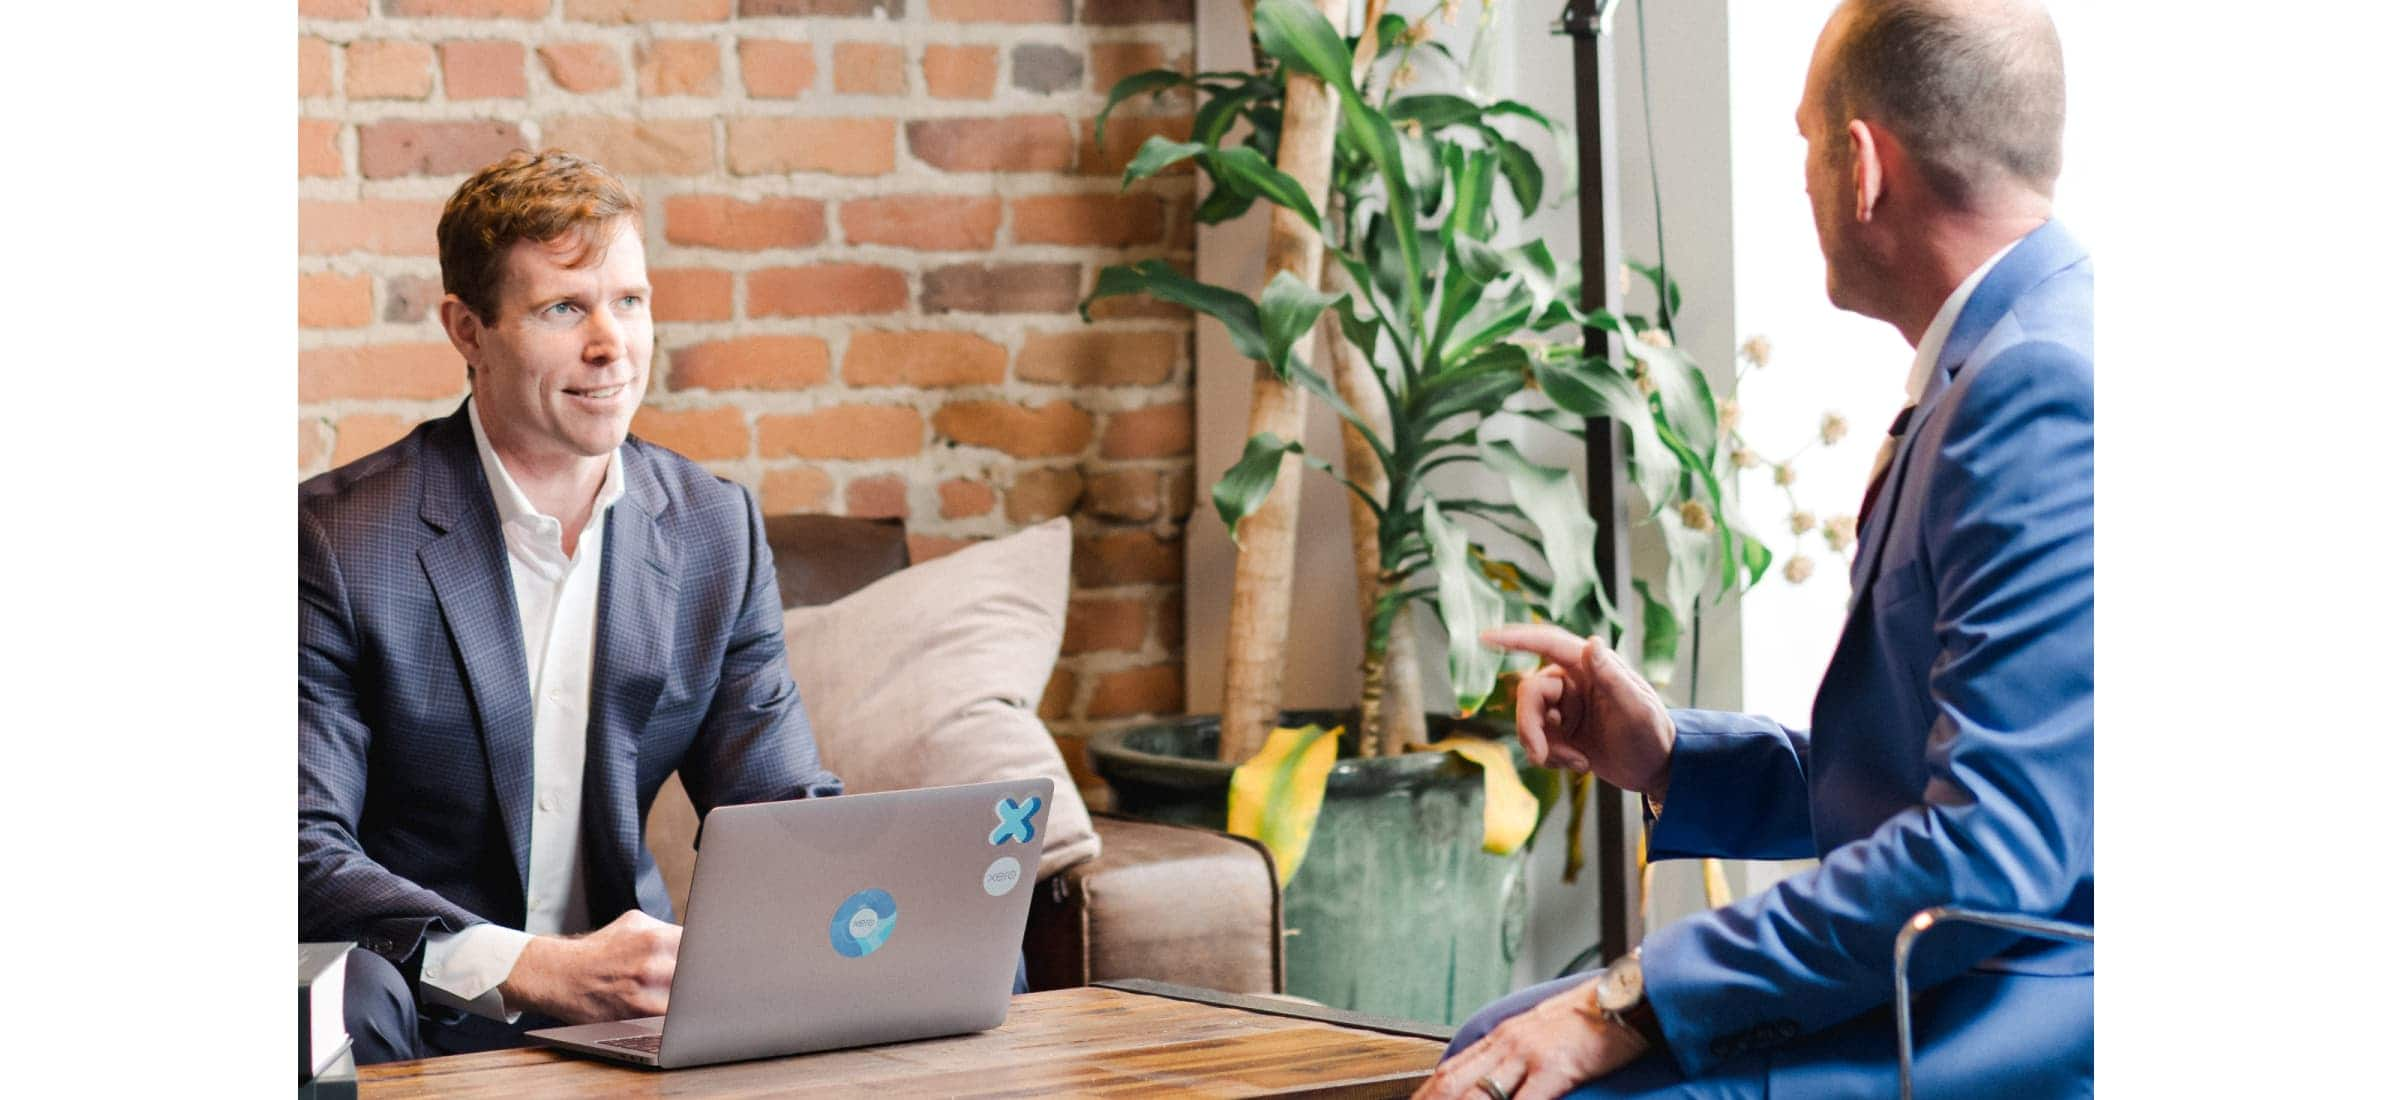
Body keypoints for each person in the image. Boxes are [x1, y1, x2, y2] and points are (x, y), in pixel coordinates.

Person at [1419, 1, 2091, 1097]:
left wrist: (1623, 1000)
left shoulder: (2035, 389)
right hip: (1968, 960)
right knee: (1496, 1032)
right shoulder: (2013, 353)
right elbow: (1929, 779)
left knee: (1528, 1078)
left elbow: (1990, 845)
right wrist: (1672, 755)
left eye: (1805, 144)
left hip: (2014, 1004)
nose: (1808, 182)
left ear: (1861, 164)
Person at [299, 151, 844, 1063]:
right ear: (467, 330)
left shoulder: (715, 528)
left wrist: (883, 898)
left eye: (630, 302)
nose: (612, 345)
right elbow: (299, 852)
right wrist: (535, 969)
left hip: (641, 1006)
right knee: (339, 999)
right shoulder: (339, 541)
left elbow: (777, 807)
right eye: (565, 309)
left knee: (982, 960)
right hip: (418, 997)